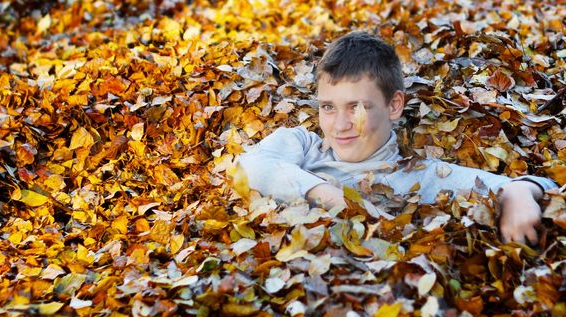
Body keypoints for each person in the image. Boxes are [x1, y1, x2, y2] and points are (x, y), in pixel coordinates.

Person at [237, 31, 557, 245]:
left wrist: (518, 193)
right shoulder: (303, 146)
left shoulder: (419, 177)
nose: (340, 125)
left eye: (357, 108)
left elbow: (538, 188)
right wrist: (338, 199)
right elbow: (250, 165)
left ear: (394, 106)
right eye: (328, 108)